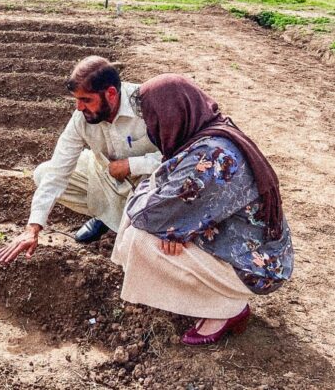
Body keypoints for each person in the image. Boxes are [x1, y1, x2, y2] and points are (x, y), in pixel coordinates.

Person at [112, 74, 294, 345]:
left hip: (257, 269)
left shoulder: (211, 157)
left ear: (172, 114)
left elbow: (144, 215)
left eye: (153, 118)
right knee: (153, 228)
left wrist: (169, 222)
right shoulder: (211, 133)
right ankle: (217, 299)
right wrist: (172, 220)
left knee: (141, 239)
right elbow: (160, 192)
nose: (151, 127)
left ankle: (226, 309)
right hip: (251, 248)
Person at [0, 56, 160, 263]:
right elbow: (58, 171)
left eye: (86, 100)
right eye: (76, 99)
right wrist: (33, 227)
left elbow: (183, 157)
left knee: (146, 239)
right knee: (44, 174)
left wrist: (133, 164)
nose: (79, 107)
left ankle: (121, 221)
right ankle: (107, 217)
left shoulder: (146, 104)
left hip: (150, 182)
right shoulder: (81, 118)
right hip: (105, 173)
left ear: (110, 93)